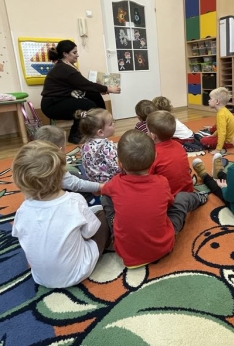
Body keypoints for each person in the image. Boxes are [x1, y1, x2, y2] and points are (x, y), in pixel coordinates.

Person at [101, 129, 207, 268]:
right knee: (181, 198)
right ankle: (200, 198)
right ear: (155, 158)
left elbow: (103, 190)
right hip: (162, 247)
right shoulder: (162, 182)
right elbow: (170, 204)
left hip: (125, 252)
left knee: (105, 198)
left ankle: (121, 231)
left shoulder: (114, 183)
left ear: (119, 163)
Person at [11, 141, 110, 288]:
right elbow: (90, 233)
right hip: (78, 272)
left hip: (40, 278)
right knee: (103, 216)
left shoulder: (22, 210)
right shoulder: (74, 200)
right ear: (62, 176)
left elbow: (22, 236)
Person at [41, 40, 121, 144]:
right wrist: (108, 89)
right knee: (88, 105)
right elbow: (86, 85)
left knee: (93, 94)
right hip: (53, 105)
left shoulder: (66, 66)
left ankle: (102, 122)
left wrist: (100, 89)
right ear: (65, 54)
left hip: (60, 100)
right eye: (74, 53)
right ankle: (75, 135)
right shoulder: (64, 69)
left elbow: (84, 86)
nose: (77, 55)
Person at [34, 125, 103, 204]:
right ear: (59, 150)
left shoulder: (30, 163)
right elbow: (76, 184)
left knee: (73, 174)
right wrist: (99, 186)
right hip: (55, 201)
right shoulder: (56, 168)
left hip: (39, 196)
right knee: (79, 184)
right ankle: (91, 201)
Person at [146, 110, 196, 196]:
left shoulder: (152, 153)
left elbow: (147, 178)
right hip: (188, 191)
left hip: (168, 197)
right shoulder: (178, 145)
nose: (146, 133)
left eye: (147, 131)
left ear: (153, 136)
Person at [76, 108, 119, 184]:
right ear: (100, 132)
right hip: (109, 183)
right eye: (110, 124)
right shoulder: (107, 147)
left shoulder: (84, 146)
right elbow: (116, 169)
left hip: (93, 182)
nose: (113, 124)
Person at [199, 87, 234, 155]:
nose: (208, 100)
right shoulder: (224, 111)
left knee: (203, 140)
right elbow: (220, 129)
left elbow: (222, 133)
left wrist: (218, 149)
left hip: (228, 142)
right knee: (212, 133)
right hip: (232, 138)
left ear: (217, 101)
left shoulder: (221, 115)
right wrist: (213, 136)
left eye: (211, 99)